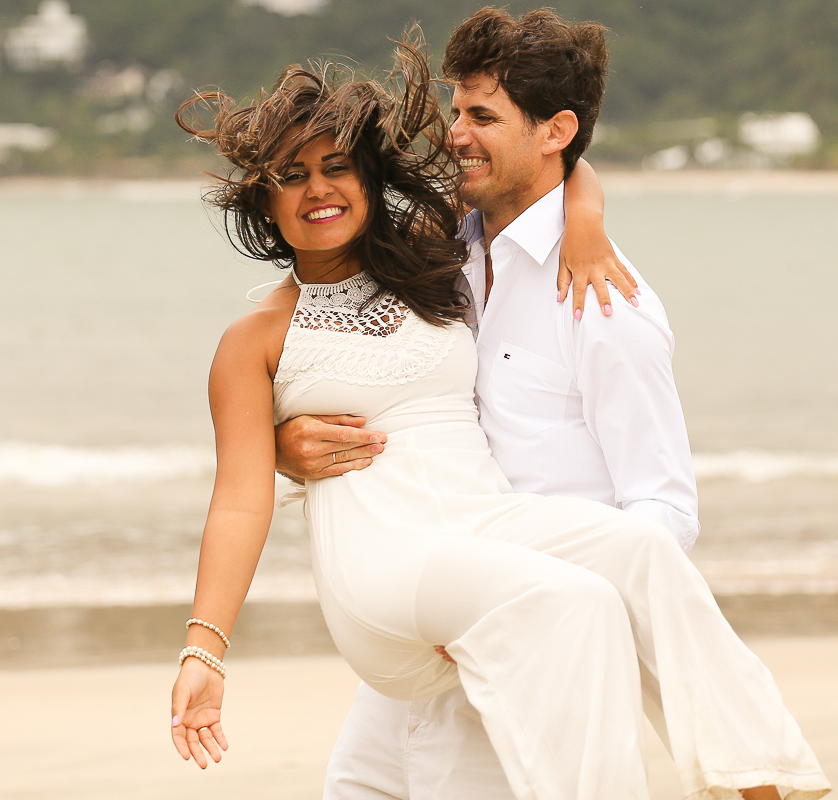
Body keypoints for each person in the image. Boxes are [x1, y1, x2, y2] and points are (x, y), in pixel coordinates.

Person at [167, 28, 829, 800]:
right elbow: (238, 501)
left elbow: (554, 178)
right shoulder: (257, 339)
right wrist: (203, 652)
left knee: (642, 555)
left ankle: (764, 784)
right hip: (385, 561)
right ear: (264, 197)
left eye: (337, 167)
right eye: (291, 176)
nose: (318, 189)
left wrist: (584, 215)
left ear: (369, 179)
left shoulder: (430, 257)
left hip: (480, 527)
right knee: (573, 602)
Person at [264, 9, 700, 799]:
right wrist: (284, 445)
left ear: (554, 130)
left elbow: (661, 513)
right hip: (424, 614)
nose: (456, 133)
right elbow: (363, 372)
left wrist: (570, 619)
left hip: (528, 640)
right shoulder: (433, 253)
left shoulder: (607, 303)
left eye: (482, 116)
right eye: (457, 109)